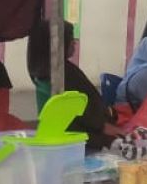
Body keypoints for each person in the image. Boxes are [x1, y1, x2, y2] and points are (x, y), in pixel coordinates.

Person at [26, 20, 125, 151]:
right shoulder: (63, 73)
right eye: (69, 38)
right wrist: (105, 127)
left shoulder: (41, 70)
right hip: (81, 138)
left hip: (63, 134)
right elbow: (86, 114)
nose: (74, 43)